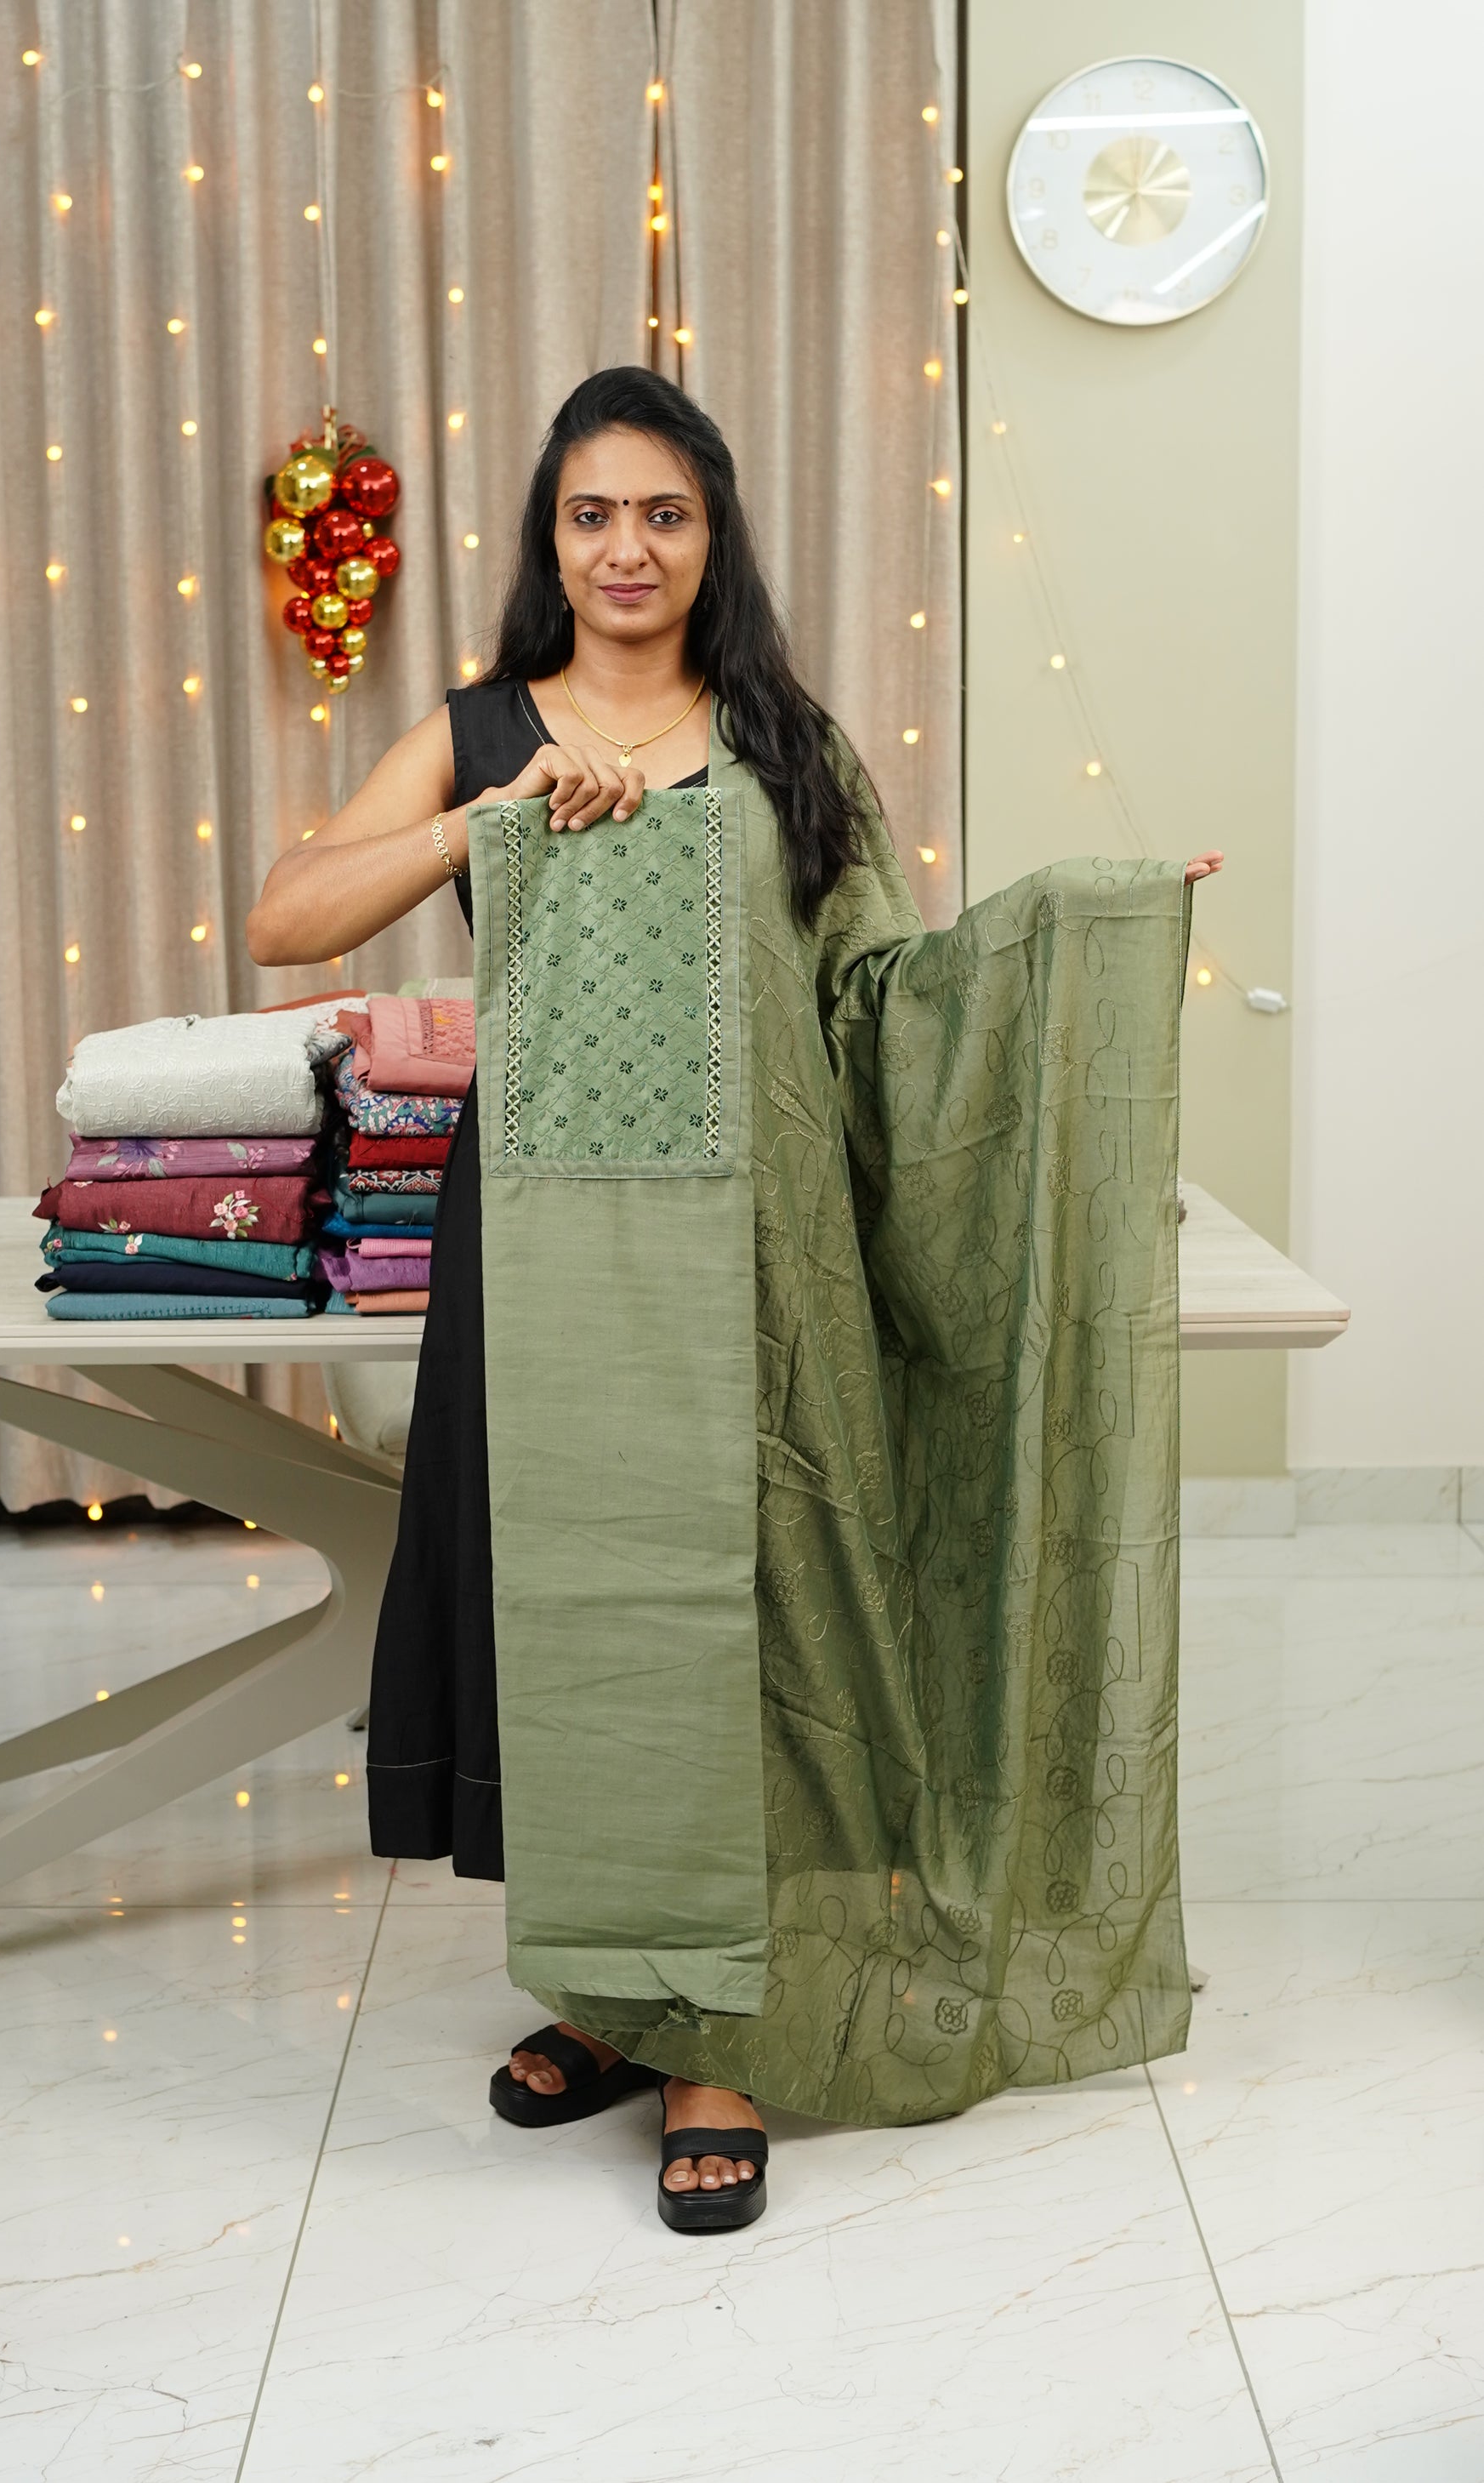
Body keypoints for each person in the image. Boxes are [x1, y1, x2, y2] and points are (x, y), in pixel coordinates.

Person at [248, 365, 1223, 2235]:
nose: (627, 547)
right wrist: (485, 819)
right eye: (592, 514)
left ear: (713, 537)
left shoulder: (782, 737)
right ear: (549, 539)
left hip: (759, 1263)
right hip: (544, 1256)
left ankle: (723, 2036)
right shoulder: (481, 729)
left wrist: (1078, 931)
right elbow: (286, 915)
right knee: (586, 1626)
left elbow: (880, 995)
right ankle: (621, 1995)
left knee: (756, 1623)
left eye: (664, 513)